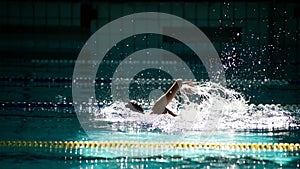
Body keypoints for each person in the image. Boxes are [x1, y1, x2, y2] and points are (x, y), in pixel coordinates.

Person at [126, 79, 192, 117]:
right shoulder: (153, 111)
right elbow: (178, 84)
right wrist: (182, 85)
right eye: (136, 104)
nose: (138, 103)